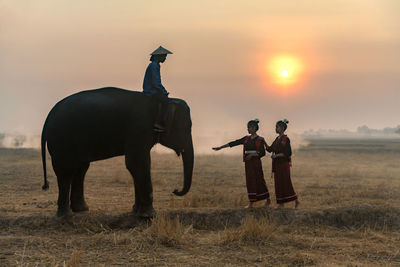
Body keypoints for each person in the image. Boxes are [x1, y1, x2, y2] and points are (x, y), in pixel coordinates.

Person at [213, 119, 271, 208]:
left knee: (259, 180)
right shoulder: (246, 138)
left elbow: (262, 153)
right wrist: (221, 147)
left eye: (249, 127)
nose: (248, 129)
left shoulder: (260, 139)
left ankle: (268, 200)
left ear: (254, 128)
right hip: (248, 163)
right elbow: (234, 143)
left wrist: (252, 155)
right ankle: (251, 202)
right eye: (248, 127)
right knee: (250, 181)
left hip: (256, 163)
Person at [265, 119, 300, 208]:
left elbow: (288, 153)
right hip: (277, 165)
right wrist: (263, 142)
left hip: (283, 164)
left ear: (282, 128)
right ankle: (282, 203)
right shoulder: (277, 139)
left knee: (286, 183)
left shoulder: (286, 139)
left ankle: (295, 200)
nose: (276, 128)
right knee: (278, 184)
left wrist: (276, 156)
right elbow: (270, 149)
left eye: (277, 127)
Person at [143, 46, 173, 132]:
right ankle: (158, 123)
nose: (165, 58)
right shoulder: (154, 66)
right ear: (158, 56)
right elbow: (156, 83)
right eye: (164, 56)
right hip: (151, 91)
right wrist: (163, 91)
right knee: (165, 101)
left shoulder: (154, 65)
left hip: (151, 90)